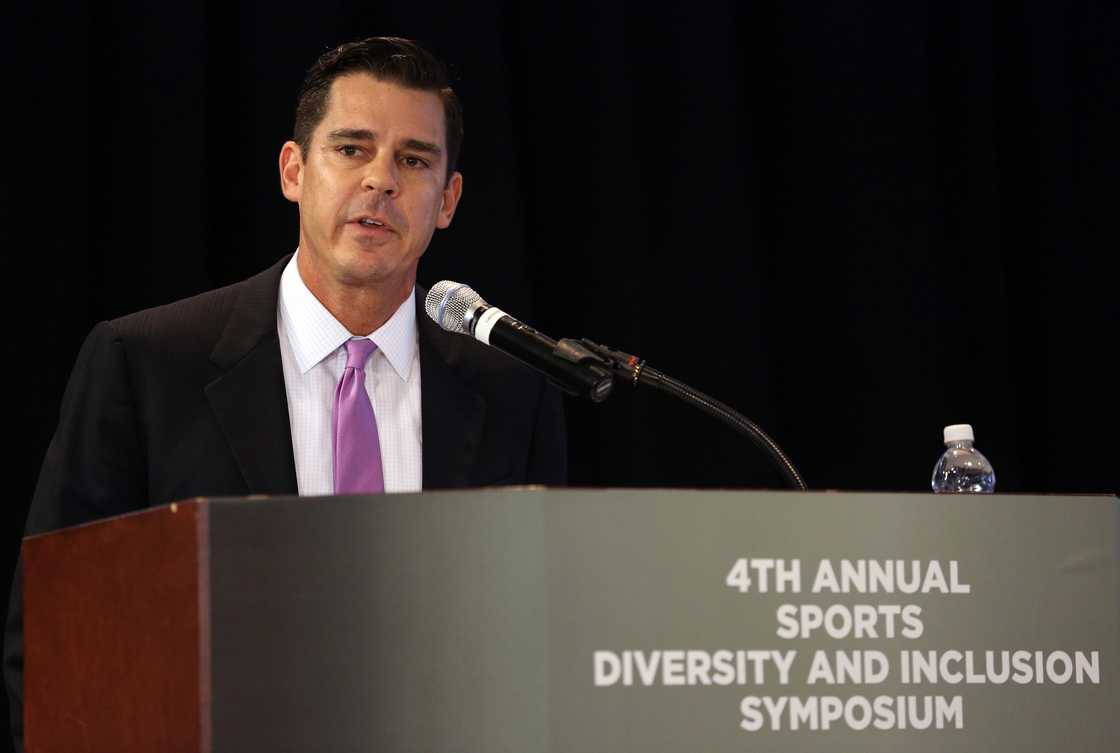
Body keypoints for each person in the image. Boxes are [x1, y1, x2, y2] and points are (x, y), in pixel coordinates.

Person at [4, 36, 566, 749]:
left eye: (414, 160)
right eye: (352, 149)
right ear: (293, 170)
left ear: (448, 199)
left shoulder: (513, 392)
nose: (381, 181)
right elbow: (58, 639)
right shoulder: (145, 366)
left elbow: (540, 650)